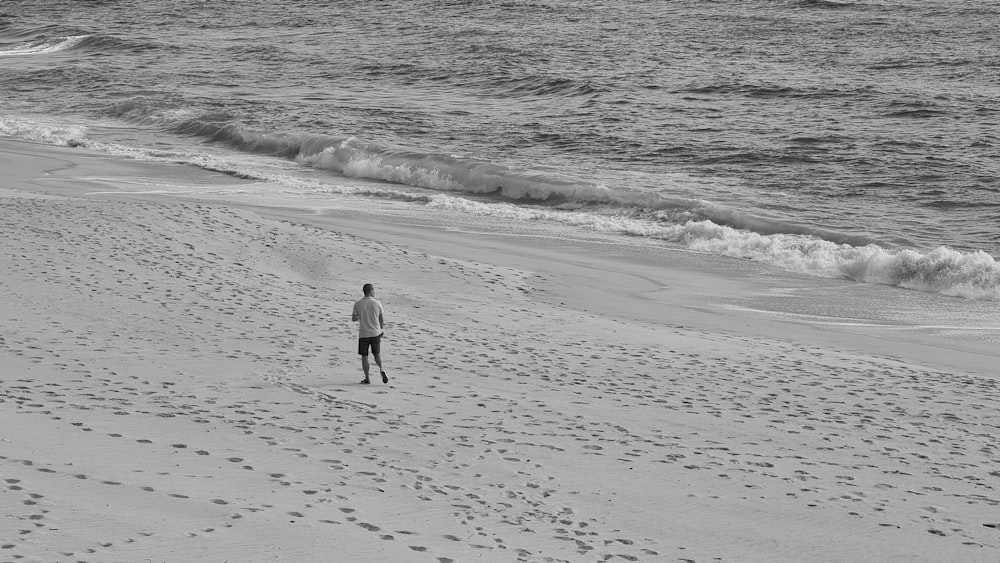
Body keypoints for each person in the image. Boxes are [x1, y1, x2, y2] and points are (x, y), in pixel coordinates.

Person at [351, 283, 387, 384]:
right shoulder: (377, 303)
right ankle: (381, 369)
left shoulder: (358, 304)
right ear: (371, 291)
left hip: (364, 334)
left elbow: (353, 318)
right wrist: (381, 330)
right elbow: (381, 319)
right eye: (373, 290)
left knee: (364, 356)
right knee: (377, 354)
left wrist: (361, 316)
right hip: (375, 332)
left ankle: (367, 378)